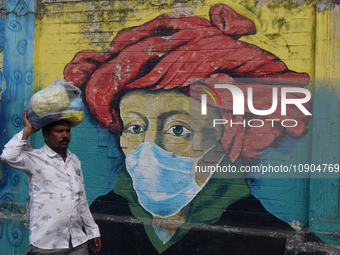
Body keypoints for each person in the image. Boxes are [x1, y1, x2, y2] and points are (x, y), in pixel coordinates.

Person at [63, 3, 313, 254]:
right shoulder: (100, 219)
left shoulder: (268, 239)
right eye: (135, 128)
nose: (149, 149)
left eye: (178, 130)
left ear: (225, 137)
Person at [1, 109, 101, 255]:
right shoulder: (34, 159)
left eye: (67, 131)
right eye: (59, 131)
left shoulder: (75, 161)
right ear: (45, 135)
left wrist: (92, 230)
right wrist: (28, 129)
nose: (65, 135)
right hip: (46, 245)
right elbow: (7, 156)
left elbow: (82, 199)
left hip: (78, 243)